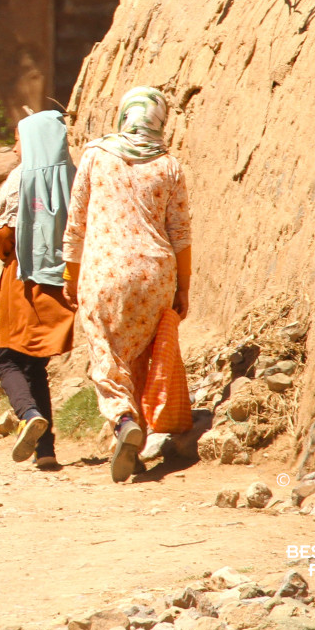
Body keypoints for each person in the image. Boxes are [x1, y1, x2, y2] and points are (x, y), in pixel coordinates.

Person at [63, 86, 193, 483]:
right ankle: (133, 451)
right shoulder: (169, 166)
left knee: (106, 351)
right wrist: (183, 287)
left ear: (124, 116)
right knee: (137, 355)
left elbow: (77, 220)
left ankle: (122, 421)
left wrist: (69, 273)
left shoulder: (96, 156)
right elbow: (181, 234)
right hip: (156, 272)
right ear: (159, 119)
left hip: (104, 269)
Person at [0, 110, 77, 471]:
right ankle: (46, 450)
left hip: (22, 280)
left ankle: (28, 414)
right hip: (62, 282)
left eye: (18, 140)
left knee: (9, 359)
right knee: (36, 366)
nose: (14, 148)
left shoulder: (18, 180)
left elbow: (5, 235)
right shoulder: (74, 178)